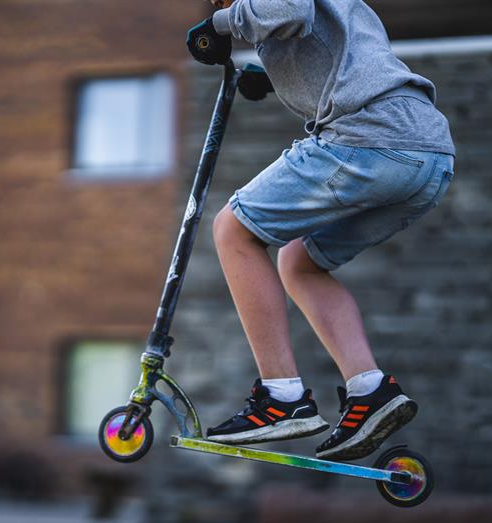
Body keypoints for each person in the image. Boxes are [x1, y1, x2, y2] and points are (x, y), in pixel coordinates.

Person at [186, 0, 455, 460]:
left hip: (370, 137)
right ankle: (370, 390)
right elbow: (342, 48)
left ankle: (282, 398)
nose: (225, 5)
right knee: (299, 261)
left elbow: (287, 7)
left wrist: (218, 25)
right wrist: (269, 76)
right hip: (428, 155)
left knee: (234, 229)